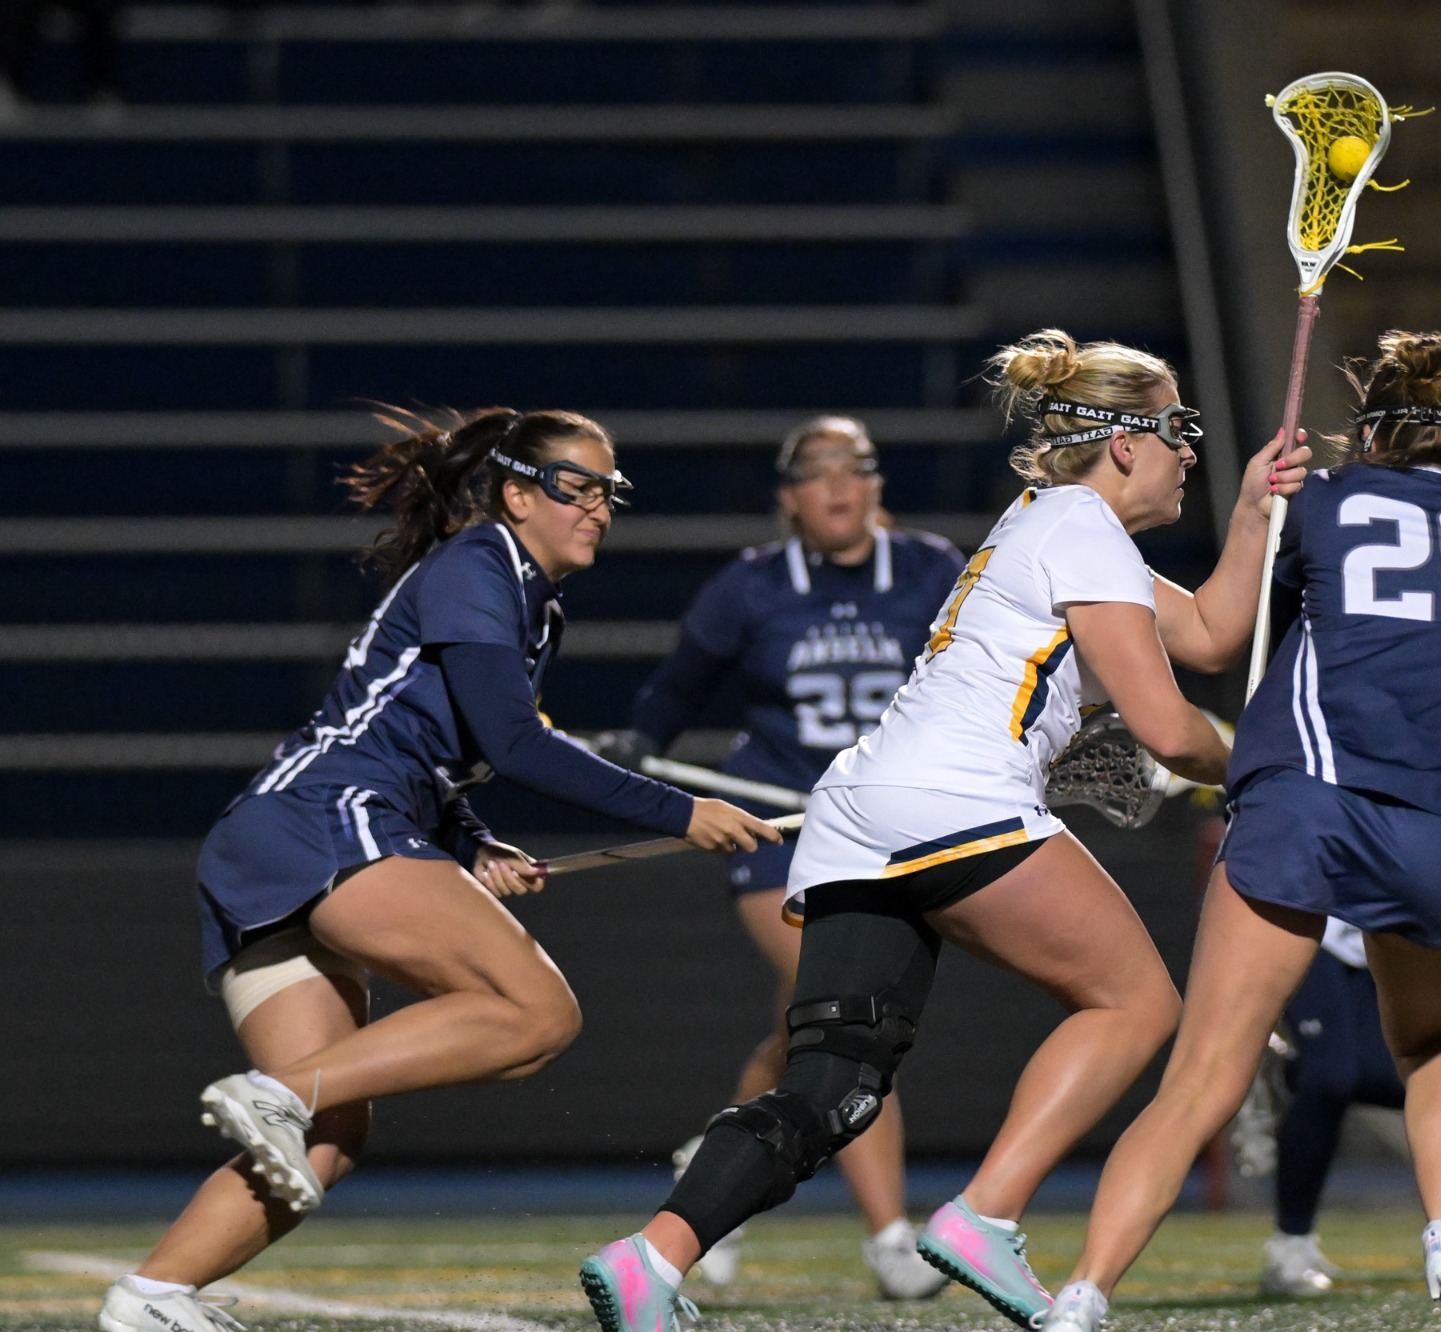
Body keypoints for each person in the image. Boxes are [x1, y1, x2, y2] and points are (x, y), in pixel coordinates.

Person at [575, 328, 1311, 1332]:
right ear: (1124, 442)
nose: (1189, 451)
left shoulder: (1046, 521)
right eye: (1177, 430)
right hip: (961, 800)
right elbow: (1170, 730)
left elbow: (1215, 636)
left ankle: (649, 1260)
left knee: (835, 1089)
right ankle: (985, 1215)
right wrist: (1268, 767)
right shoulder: (1084, 530)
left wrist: (1253, 514)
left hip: (860, 810)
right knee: (1136, 1005)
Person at [97, 408, 778, 1332]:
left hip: (280, 839)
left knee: (329, 1136)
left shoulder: (528, 601)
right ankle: (277, 1094)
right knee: (535, 1015)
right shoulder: (480, 563)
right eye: (574, 486)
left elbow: (424, 743)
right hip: (323, 820)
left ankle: (152, 1296)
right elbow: (512, 741)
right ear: (516, 494)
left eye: (609, 491)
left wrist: (470, 842)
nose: (597, 508)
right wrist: (680, 810)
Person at [1038, 330, 1441, 1332]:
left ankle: (1084, 1294)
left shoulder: (1317, 504)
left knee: (1202, 1078)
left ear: (1367, 434)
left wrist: (1258, 512)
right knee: (1432, 1046)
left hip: (1309, 801)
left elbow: (1227, 631)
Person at [593, 415, 964, 1298]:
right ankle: (889, 1237)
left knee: (811, 1031)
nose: (838, 486)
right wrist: (639, 745)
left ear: (877, 485)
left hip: (888, 824)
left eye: (854, 468)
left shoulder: (930, 569)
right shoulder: (751, 585)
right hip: (781, 825)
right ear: (789, 497)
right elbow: (678, 687)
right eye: (817, 472)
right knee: (851, 1015)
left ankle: (715, 1162)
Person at [1253, 918, 1406, 1297]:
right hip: (1308, 921)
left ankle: (1287, 1075)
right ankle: (1290, 1242)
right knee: (1330, 1078)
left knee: (1395, 1079)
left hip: (1380, 931)